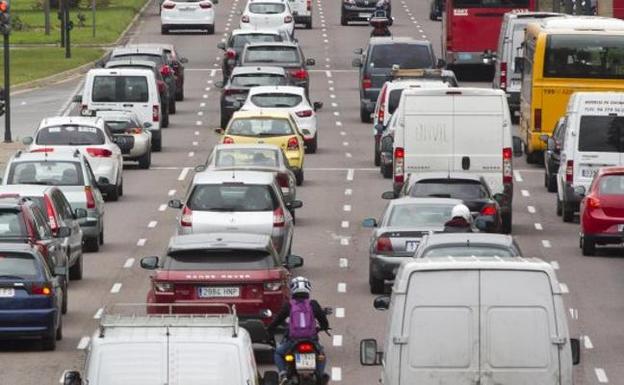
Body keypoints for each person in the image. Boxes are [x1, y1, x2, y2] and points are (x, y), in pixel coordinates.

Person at [268, 276, 330, 383]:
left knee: (278, 353)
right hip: (311, 340)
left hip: (293, 341)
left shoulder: (289, 305)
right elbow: (324, 321)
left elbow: (277, 320)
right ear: (308, 288)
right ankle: (320, 375)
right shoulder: (313, 304)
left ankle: (283, 374)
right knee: (321, 355)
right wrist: (323, 327)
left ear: (292, 289)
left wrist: (270, 329)